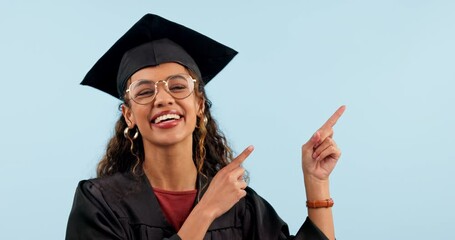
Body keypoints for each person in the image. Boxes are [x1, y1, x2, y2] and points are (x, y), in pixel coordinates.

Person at [66, 13, 345, 240]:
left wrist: (317, 182)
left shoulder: (239, 206)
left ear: (199, 104)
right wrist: (207, 209)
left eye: (177, 86)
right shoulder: (100, 204)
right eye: (144, 92)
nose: (163, 99)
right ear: (128, 115)